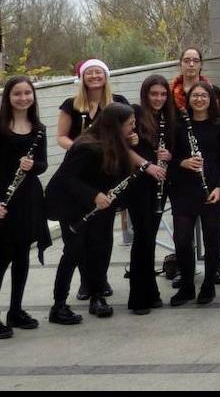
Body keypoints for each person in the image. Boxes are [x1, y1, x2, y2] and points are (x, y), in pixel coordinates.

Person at [45, 103, 138, 324]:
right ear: (116, 126)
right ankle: (58, 306)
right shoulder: (86, 146)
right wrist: (93, 195)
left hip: (101, 207)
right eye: (130, 124)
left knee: (101, 249)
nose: (133, 128)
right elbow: (66, 178)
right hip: (75, 206)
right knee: (74, 253)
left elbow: (117, 176)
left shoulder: (117, 143)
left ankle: (97, 297)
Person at [56, 59, 128, 301]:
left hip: (106, 173)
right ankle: (86, 281)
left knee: (103, 233)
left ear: (106, 76)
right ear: (82, 78)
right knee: (81, 235)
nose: (95, 76)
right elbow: (61, 137)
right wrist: (83, 147)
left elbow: (125, 135)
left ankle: (101, 278)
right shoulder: (71, 105)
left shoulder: (118, 103)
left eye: (99, 72)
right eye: (90, 73)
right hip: (79, 175)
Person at [169, 81, 220, 307]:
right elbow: (171, 159)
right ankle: (187, 285)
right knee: (182, 240)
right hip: (184, 188)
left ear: (211, 100)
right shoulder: (179, 126)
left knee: (212, 238)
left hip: (211, 188)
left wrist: (218, 187)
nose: (199, 99)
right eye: (195, 95)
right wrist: (183, 162)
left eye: (204, 95)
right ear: (188, 99)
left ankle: (208, 284)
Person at [0, 76, 51, 336]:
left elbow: (42, 164)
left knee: (22, 256)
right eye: (17, 94)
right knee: (2, 258)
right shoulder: (0, 128)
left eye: (27, 93)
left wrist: (33, 167)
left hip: (28, 199)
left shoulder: (38, 128)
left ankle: (15, 310)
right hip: (4, 201)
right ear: (8, 98)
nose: (23, 98)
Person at [125, 75, 175, 315]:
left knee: (149, 238)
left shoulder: (168, 118)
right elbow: (123, 147)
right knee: (142, 239)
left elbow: (173, 150)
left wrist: (168, 156)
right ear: (145, 94)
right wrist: (148, 165)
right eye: (154, 94)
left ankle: (151, 291)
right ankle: (138, 297)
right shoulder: (134, 112)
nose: (159, 98)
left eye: (163, 94)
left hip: (158, 185)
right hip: (139, 184)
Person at [170, 47, 220, 117]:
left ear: (201, 65)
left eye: (196, 61)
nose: (191, 64)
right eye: (186, 61)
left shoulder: (214, 91)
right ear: (180, 64)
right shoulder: (170, 93)